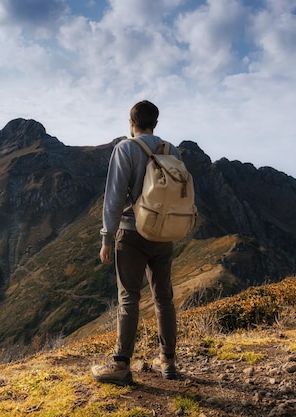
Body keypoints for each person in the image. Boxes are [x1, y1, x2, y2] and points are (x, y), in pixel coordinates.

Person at [91, 100, 179, 384]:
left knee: (129, 298)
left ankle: (120, 365)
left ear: (131, 123)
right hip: (164, 232)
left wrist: (107, 237)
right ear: (155, 122)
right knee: (164, 298)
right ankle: (168, 361)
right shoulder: (171, 150)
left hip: (131, 233)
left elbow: (114, 197)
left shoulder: (125, 149)